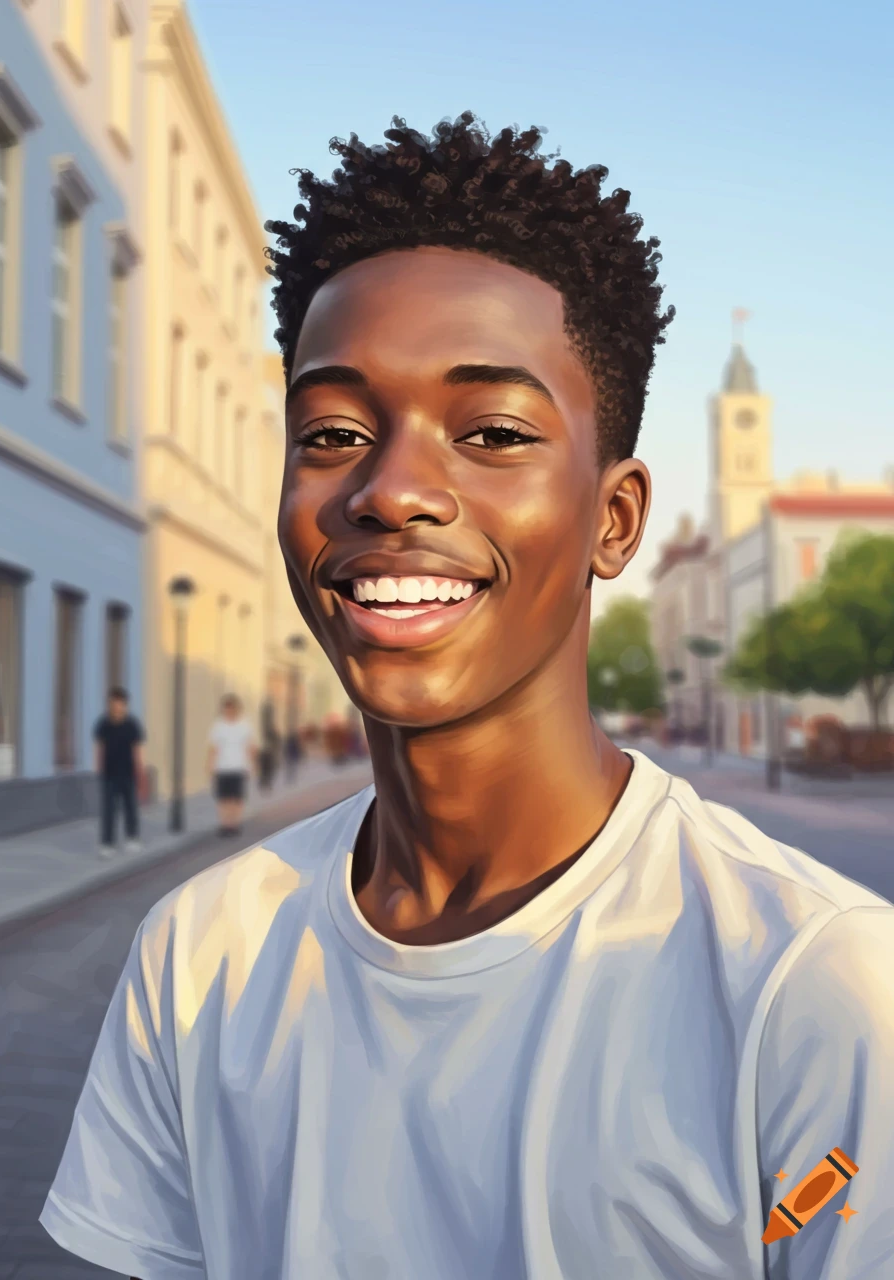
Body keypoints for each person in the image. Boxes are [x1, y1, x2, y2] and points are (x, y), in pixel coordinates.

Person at [43, 114, 894, 1279]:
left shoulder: (813, 980)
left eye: (491, 431)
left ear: (614, 517)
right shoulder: (201, 951)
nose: (392, 491)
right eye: (332, 431)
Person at [91, 687, 145, 858]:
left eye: (120, 703)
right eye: (114, 703)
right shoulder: (103, 724)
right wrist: (98, 768)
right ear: (110, 704)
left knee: (130, 807)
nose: (117, 707)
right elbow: (99, 747)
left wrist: (140, 771)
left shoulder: (132, 725)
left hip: (128, 773)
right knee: (108, 809)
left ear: (125, 705)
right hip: (109, 774)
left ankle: (132, 838)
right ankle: (107, 844)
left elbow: (137, 750)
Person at [206, 694, 256, 836]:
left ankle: (234, 824)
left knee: (237, 798)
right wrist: (210, 765)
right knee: (223, 798)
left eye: (232, 708)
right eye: (226, 709)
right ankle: (225, 824)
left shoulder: (244, 726)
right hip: (222, 767)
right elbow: (213, 748)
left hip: (239, 766)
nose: (229, 711)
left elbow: (250, 747)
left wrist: (252, 765)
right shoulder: (218, 726)